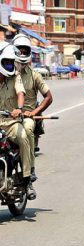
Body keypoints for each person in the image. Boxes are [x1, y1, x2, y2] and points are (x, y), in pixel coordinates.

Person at [12, 34, 53, 182]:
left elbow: (48, 97)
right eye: (19, 50)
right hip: (7, 116)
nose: (22, 54)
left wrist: (33, 112)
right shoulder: (5, 71)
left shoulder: (35, 75)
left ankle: (30, 171)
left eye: (25, 51)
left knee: (28, 130)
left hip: (26, 117)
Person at [0, 41, 36, 200]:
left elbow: (20, 93)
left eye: (10, 62)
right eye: (6, 63)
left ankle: (27, 178)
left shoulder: (16, 77)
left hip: (10, 123)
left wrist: (19, 109)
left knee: (23, 136)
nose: (9, 66)